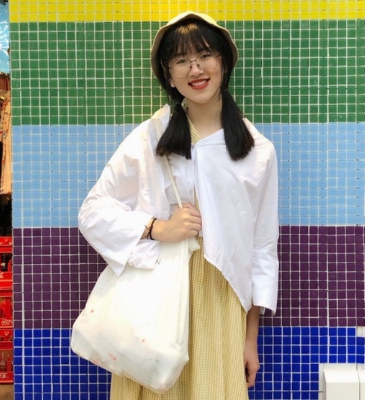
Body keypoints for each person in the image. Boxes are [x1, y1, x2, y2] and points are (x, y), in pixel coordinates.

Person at [78, 11, 279, 399]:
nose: (195, 69)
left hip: (220, 303)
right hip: (159, 300)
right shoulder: (151, 137)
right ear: (169, 76)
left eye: (204, 55)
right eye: (181, 60)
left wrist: (249, 339)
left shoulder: (258, 152)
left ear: (223, 62)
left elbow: (260, 248)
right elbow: (93, 210)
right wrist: (157, 228)